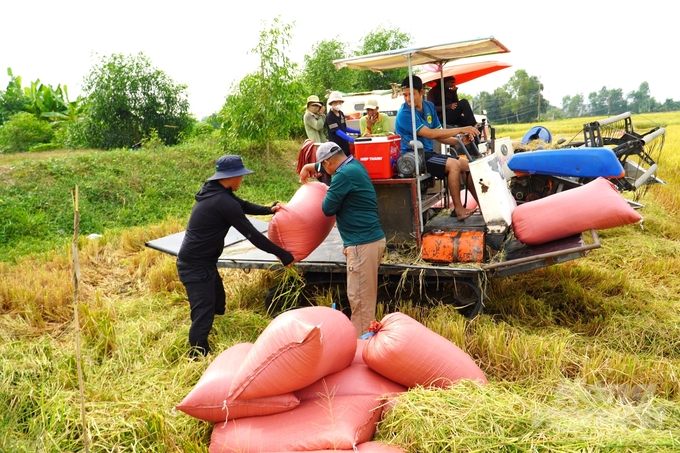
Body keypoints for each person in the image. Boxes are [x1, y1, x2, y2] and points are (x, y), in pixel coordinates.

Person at [176, 155, 295, 356]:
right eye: (240, 176)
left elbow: (244, 205)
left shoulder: (218, 192)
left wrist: (269, 210)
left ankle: (212, 336)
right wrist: (282, 254)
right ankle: (198, 357)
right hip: (194, 266)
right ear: (230, 176)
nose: (242, 179)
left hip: (204, 263)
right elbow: (253, 235)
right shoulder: (222, 201)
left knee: (218, 303)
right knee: (203, 312)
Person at [298, 142, 386, 338]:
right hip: (370, 241)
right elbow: (326, 167)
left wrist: (318, 190)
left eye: (324, 166)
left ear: (329, 162)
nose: (324, 172)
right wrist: (309, 167)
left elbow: (327, 208)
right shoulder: (354, 165)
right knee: (363, 298)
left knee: (361, 303)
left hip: (361, 245)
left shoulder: (342, 175)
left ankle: (362, 352)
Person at [395, 75, 481, 221]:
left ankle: (483, 206)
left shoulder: (429, 107)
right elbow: (430, 133)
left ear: (422, 92)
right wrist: (460, 130)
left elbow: (438, 135)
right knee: (454, 165)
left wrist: (460, 141)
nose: (407, 99)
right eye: (405, 95)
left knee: (466, 164)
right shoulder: (404, 114)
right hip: (414, 157)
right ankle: (459, 210)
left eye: (411, 94)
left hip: (429, 153)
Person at [325, 91, 360, 156]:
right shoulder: (329, 116)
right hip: (336, 146)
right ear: (331, 103)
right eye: (335, 102)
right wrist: (351, 139)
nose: (338, 104)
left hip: (344, 144)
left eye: (339, 102)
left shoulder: (341, 113)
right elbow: (337, 131)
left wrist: (358, 131)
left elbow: (344, 127)